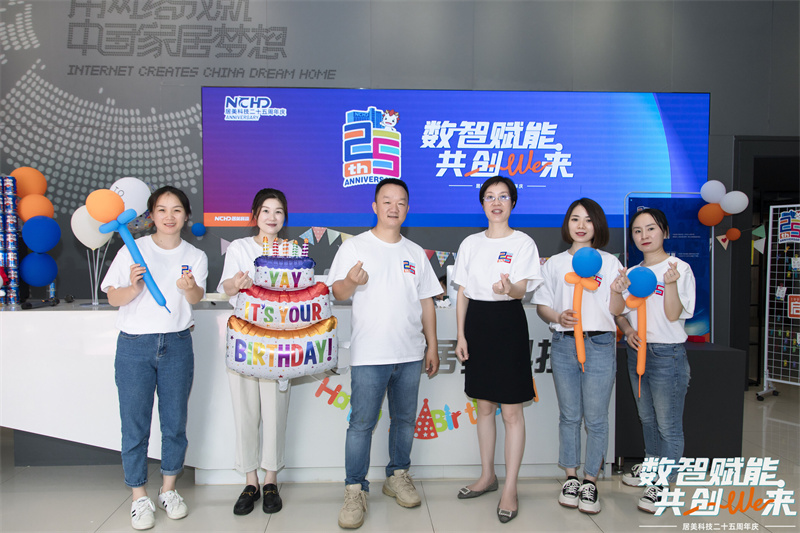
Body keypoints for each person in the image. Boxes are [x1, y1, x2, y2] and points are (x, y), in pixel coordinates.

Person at [326, 178, 441, 530]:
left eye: (401, 202)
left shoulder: (415, 253)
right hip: (370, 354)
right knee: (361, 424)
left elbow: (426, 302)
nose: (394, 207)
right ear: (375, 207)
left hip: (410, 352)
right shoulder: (354, 247)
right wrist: (352, 281)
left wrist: (432, 345)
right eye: (387, 201)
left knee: (405, 420)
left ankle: (397, 475)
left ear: (407, 209)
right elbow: (338, 292)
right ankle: (354, 489)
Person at [102, 186, 208, 531]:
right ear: (151, 216)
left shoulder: (195, 255)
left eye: (176, 210)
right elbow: (113, 297)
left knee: (174, 423)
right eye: (161, 209)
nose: (169, 216)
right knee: (134, 424)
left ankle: (169, 490)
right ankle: (138, 496)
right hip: (134, 346)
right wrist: (133, 288)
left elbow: (196, 297)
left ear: (186, 216)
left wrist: (189, 287)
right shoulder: (133, 250)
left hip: (177, 344)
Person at [452, 176, 542, 524]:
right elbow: (462, 292)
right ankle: (487, 476)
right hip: (477, 324)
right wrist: (461, 335)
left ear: (513, 203)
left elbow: (521, 290)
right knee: (485, 407)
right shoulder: (470, 243)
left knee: (512, 412)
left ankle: (510, 488)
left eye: (503, 196)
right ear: (482, 203)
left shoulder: (523, 243)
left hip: (508, 323)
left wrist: (508, 288)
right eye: (489, 197)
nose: (496, 202)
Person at [532, 198, 625, 514]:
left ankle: (591, 481)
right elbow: (542, 306)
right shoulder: (554, 264)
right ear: (567, 224)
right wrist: (558, 316)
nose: (581, 225)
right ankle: (570, 477)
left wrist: (617, 291)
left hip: (600, 343)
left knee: (596, 418)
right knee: (569, 415)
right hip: (564, 344)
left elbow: (617, 310)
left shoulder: (610, 263)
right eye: (575, 219)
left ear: (597, 225)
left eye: (588, 219)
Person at [612, 208, 695, 514]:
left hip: (667, 355)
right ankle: (652, 470)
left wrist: (670, 284)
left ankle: (662, 483)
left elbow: (673, 315)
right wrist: (628, 330)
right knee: (647, 418)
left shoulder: (679, 269)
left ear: (665, 232)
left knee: (668, 425)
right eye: (637, 231)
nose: (644, 236)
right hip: (637, 353)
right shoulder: (632, 273)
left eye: (651, 228)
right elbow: (619, 312)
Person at [216, 188, 290, 516]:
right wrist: (237, 283)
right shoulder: (240, 248)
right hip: (245, 337)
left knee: (275, 410)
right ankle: (251, 481)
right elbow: (225, 288)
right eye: (266, 211)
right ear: (255, 215)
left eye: (278, 211)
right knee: (245, 408)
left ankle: (271, 479)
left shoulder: (291, 251)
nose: (272, 217)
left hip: (280, 339)